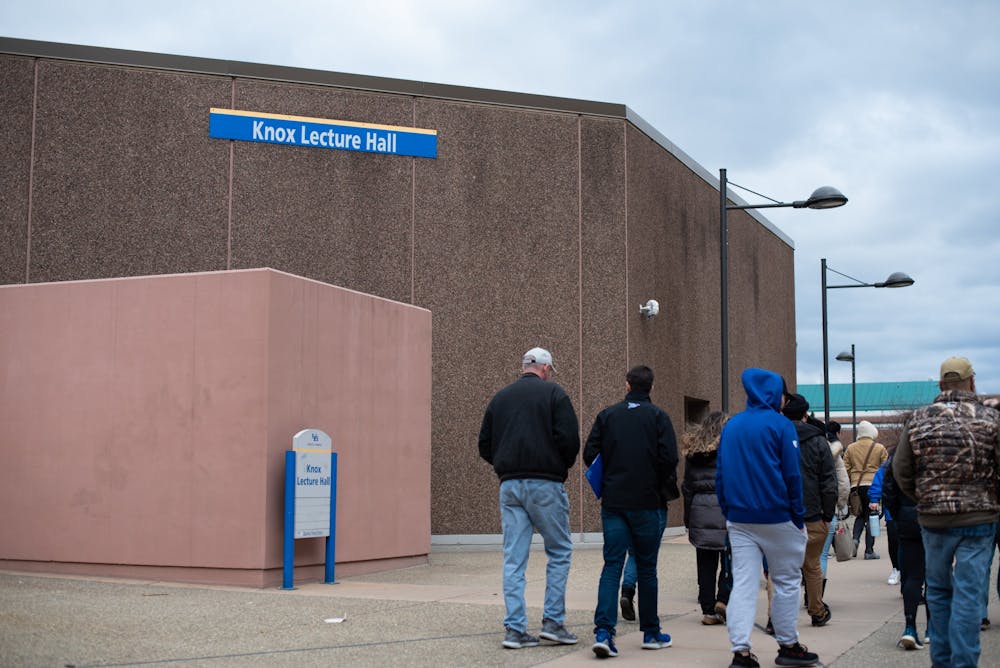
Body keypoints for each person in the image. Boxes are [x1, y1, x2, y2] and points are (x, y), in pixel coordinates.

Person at [893, 355, 1000, 667]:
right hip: (979, 517)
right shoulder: (991, 419)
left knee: (938, 590)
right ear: (972, 382)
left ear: (940, 385)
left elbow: (901, 470)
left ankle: (941, 660)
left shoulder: (919, 419)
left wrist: (925, 496)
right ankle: (965, 662)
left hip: (934, 517)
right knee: (969, 593)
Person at [478, 347, 581, 650]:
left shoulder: (500, 398)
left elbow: (484, 444)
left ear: (524, 367)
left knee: (514, 559)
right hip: (545, 484)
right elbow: (570, 440)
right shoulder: (555, 394)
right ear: (546, 368)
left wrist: (504, 463)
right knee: (559, 550)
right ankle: (552, 622)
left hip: (509, 485)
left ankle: (515, 629)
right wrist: (559, 466)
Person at [716, 369, 819, 668]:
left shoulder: (732, 426)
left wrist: (727, 509)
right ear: (776, 395)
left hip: (739, 517)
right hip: (777, 516)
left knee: (744, 584)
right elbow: (791, 475)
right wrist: (798, 516)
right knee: (786, 580)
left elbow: (721, 474)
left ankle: (741, 652)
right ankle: (788, 645)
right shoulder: (781, 425)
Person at [583, 365, 678, 658]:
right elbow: (670, 459)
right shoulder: (659, 417)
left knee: (612, 565)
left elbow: (589, 455)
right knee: (647, 568)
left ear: (626, 385)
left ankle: (604, 632)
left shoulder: (608, 416)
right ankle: (650, 632)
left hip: (614, 502)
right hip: (648, 503)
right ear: (651, 387)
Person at [781, 396, 837, 627]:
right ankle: (816, 610)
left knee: (781, 568)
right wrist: (827, 515)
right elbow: (829, 482)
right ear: (806, 414)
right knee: (812, 565)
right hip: (813, 513)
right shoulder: (819, 441)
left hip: (782, 514)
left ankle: (778, 617)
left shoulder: (777, 437)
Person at [681, 411, 732, 626]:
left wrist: (688, 517)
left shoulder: (694, 453)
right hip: (725, 507)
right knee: (730, 560)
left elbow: (687, 487)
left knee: (705, 563)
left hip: (700, 508)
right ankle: (723, 598)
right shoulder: (730, 450)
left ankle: (708, 609)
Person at [879, 445, 929, 650]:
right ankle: (932, 629)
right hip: (933, 518)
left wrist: (897, 513)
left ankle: (910, 627)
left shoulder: (897, 457)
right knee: (935, 576)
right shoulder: (935, 455)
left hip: (907, 518)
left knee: (912, 577)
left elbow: (887, 488)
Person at [844, 420, 888, 559]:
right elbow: (886, 468)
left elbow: (846, 469)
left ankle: (855, 539)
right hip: (873, 485)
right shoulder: (879, 448)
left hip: (856, 486)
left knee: (860, 515)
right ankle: (869, 550)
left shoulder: (850, 448)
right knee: (872, 517)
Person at [819, 421, 850, 582]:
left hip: (803, 508)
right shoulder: (834, 454)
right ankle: (815, 596)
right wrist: (841, 503)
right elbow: (843, 483)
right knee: (822, 555)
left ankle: (809, 585)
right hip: (826, 508)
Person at [868, 453, 901, 585]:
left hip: (914, 511)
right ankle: (896, 568)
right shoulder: (888, 465)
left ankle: (907, 569)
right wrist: (874, 499)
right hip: (893, 510)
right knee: (894, 540)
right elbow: (878, 482)